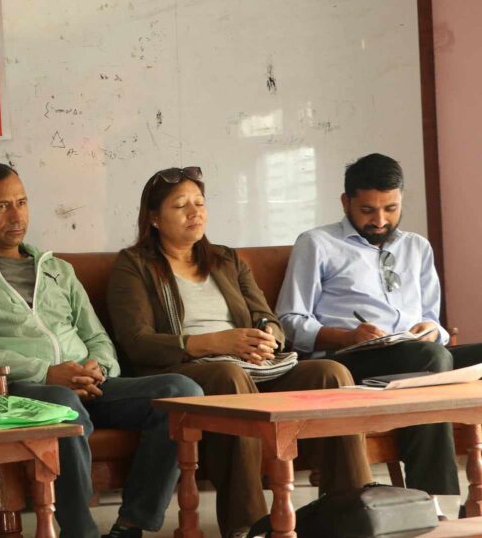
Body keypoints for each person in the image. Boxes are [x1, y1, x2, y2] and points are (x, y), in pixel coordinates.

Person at [0, 162, 202, 538]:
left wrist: (98, 368)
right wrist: (47, 373)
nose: (16, 216)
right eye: (2, 206)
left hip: (87, 383)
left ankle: (132, 523)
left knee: (182, 392)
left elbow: (96, 335)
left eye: (22, 202)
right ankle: (81, 530)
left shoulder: (57, 267)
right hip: (18, 390)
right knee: (62, 401)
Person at [105, 165, 373, 538]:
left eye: (199, 203)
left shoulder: (226, 259)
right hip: (195, 370)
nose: (195, 212)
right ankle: (248, 525)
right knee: (229, 376)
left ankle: (354, 513)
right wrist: (215, 343)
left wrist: (267, 336)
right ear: (153, 218)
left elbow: (268, 317)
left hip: (255, 366)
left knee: (332, 374)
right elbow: (137, 342)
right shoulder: (134, 266)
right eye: (180, 205)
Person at [277, 153, 482, 516]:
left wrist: (430, 330)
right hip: (350, 360)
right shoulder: (317, 243)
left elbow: (433, 319)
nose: (380, 220)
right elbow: (290, 320)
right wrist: (345, 336)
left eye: (391, 208)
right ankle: (434, 502)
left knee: (442, 356)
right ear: (346, 202)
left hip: (414, 353)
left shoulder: (417, 247)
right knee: (432, 360)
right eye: (368, 210)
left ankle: (432, 502)